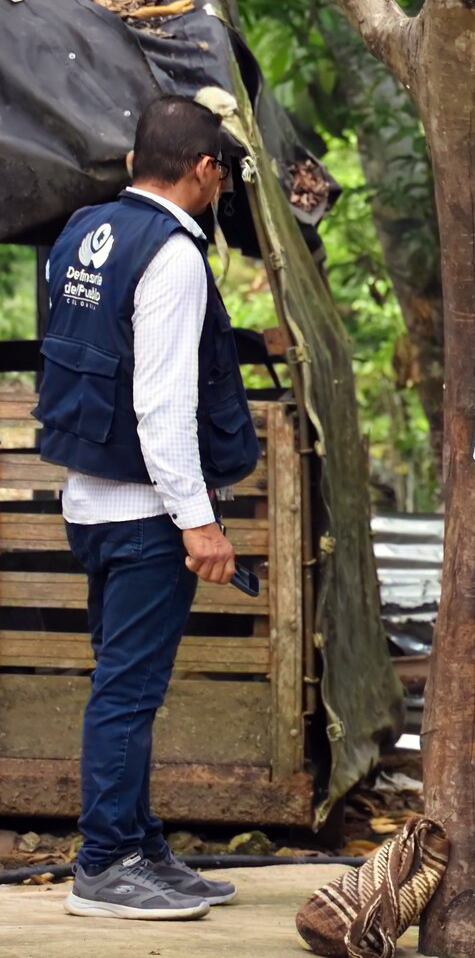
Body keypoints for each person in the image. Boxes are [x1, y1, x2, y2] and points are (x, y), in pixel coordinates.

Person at [34, 96, 257, 920]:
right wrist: (197, 521)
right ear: (205, 171)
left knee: (123, 683)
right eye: (222, 174)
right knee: (127, 692)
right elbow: (161, 403)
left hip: (89, 499)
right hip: (142, 514)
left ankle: (138, 842)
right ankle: (104, 864)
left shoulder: (85, 232)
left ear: (135, 163)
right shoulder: (172, 257)